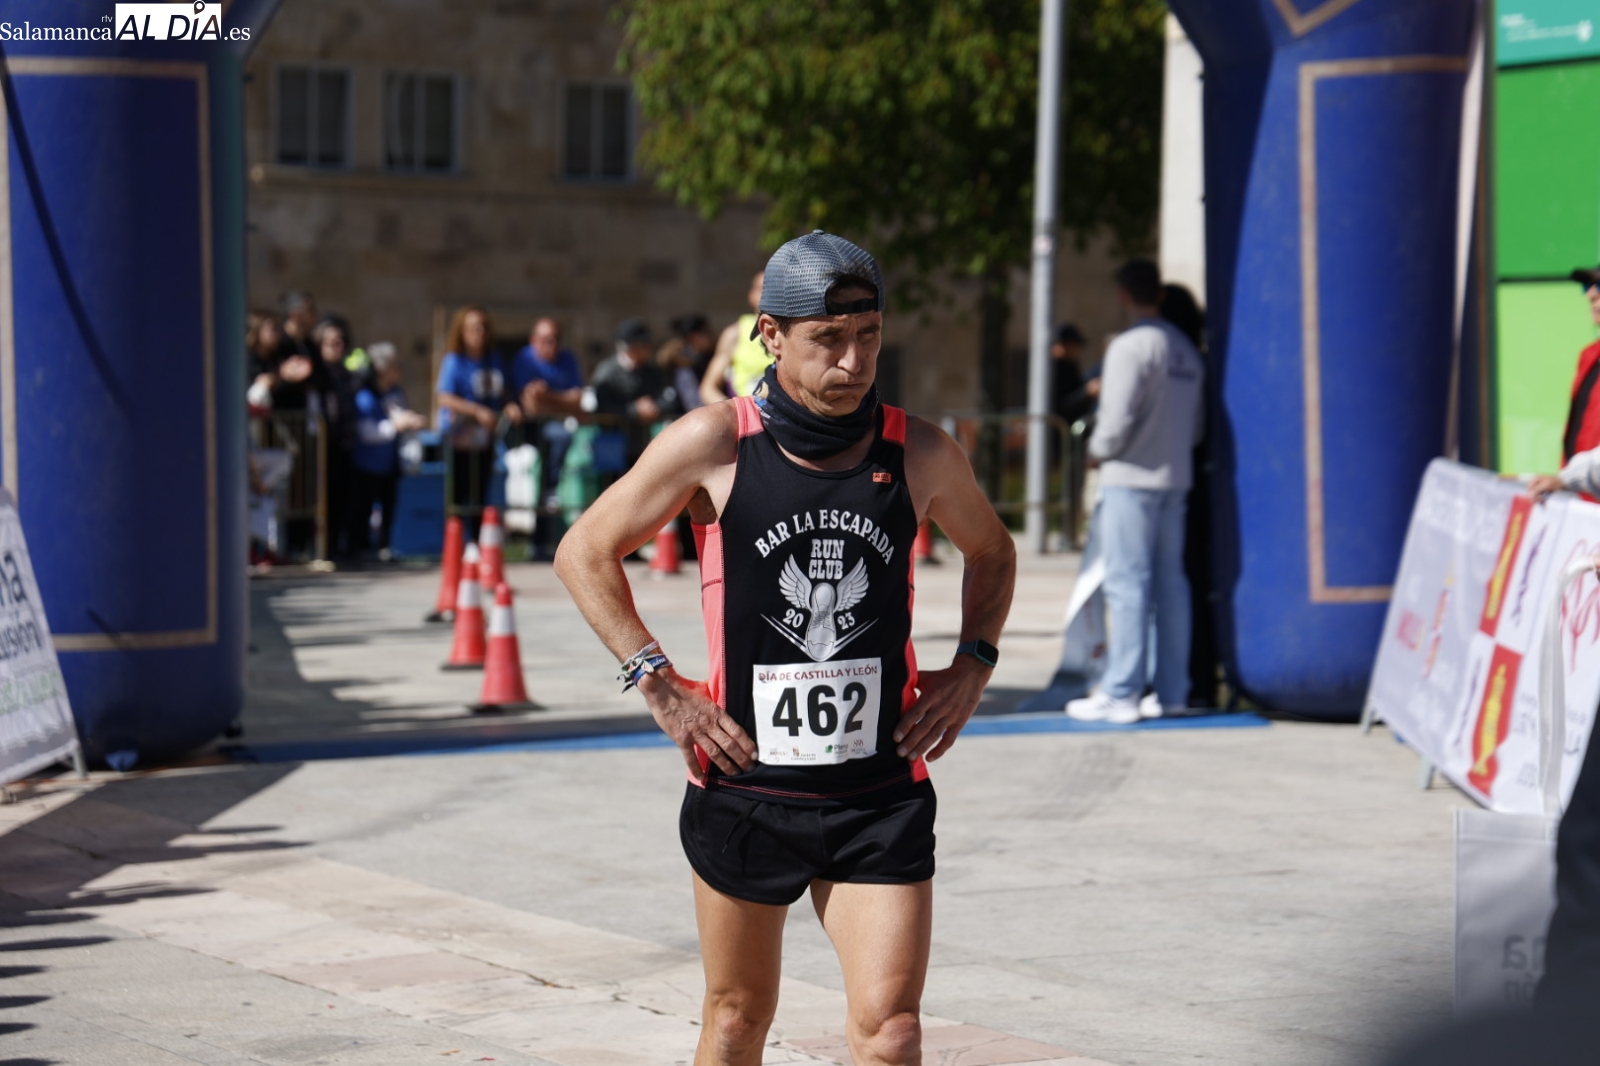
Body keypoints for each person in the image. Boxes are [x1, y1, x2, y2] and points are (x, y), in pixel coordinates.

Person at [554, 231, 1016, 1066]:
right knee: (737, 1020)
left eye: (869, 335)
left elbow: (992, 550)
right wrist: (660, 684)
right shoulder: (715, 443)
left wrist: (972, 667)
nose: (854, 361)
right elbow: (584, 551)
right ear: (770, 334)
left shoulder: (918, 451)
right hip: (747, 787)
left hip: (877, 792)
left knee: (893, 1032)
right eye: (828, 339)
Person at [1066, 259, 1205, 724]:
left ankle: (1122, 690)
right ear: (1159, 294)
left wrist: (1097, 451)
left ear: (1124, 296)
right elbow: (1196, 426)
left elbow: (1116, 420)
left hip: (1130, 477)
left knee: (1127, 583)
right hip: (1175, 476)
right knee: (1171, 585)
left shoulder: (1130, 347)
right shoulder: (1185, 349)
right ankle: (1172, 691)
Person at [1159, 282, 1221, 709]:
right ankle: (1195, 681)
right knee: (1188, 582)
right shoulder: (1198, 359)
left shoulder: (1163, 353)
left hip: (1164, 478)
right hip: (1194, 479)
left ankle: (1175, 680)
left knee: (1161, 582)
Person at [435, 305, 521, 537]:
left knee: (480, 491)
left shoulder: (494, 360)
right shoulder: (454, 360)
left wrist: (510, 405)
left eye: (483, 327)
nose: (479, 332)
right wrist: (476, 411)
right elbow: (444, 397)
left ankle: (476, 541)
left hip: (485, 439)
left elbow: (503, 391)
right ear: (462, 332)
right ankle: (456, 542)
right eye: (473, 328)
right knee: (458, 492)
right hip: (459, 438)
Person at [1527, 267, 1600, 503]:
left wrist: (1565, 480)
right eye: (1588, 287)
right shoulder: (1590, 356)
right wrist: (1564, 483)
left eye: (1599, 287)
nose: (1590, 294)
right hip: (1584, 504)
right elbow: (1579, 434)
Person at [512, 317, 586, 552]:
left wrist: (548, 397)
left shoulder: (568, 358)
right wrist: (562, 402)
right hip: (530, 436)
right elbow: (532, 407)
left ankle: (548, 537)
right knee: (542, 487)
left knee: (551, 492)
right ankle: (538, 542)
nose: (552, 345)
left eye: (555, 340)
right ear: (533, 340)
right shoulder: (524, 360)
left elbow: (578, 399)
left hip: (562, 441)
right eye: (546, 340)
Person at [350, 342, 426, 560]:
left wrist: (410, 421)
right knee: (363, 508)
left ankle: (385, 546)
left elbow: (401, 414)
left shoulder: (396, 392)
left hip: (391, 462)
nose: (399, 369)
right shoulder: (365, 396)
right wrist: (397, 425)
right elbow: (367, 431)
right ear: (381, 369)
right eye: (394, 365)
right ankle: (362, 548)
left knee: (389, 505)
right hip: (367, 463)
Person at [591, 318, 682, 474]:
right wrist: (634, 409)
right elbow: (603, 403)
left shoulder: (650, 372)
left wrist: (654, 407)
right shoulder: (607, 371)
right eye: (642, 344)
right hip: (612, 444)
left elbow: (668, 397)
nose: (647, 348)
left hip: (641, 444)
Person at [699, 270, 768, 406]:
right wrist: (736, 412)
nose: (768, 295)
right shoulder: (735, 333)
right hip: (747, 412)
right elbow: (708, 388)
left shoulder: (791, 332)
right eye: (763, 289)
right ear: (751, 295)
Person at [660, 313, 717, 413]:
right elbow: (693, 404)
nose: (711, 336)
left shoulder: (705, 358)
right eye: (706, 332)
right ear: (694, 337)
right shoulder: (683, 365)